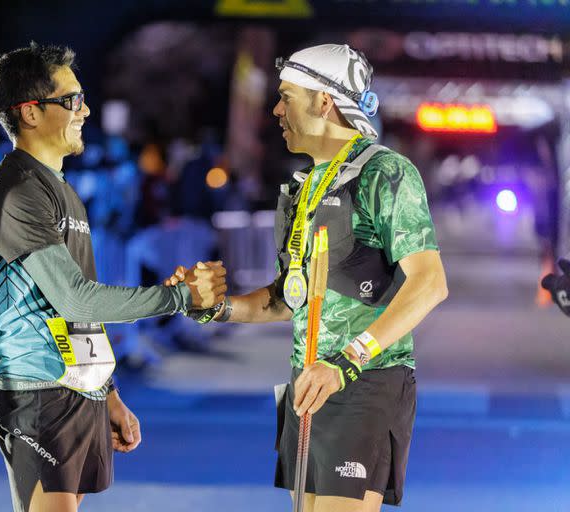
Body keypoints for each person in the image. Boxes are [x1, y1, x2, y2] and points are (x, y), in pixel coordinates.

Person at [171, 44, 448, 511]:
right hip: (308, 381)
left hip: (363, 381)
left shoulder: (385, 172)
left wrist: (348, 361)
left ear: (325, 101)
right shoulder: (306, 184)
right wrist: (216, 307)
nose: (276, 109)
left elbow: (429, 283)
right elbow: (289, 298)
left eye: (286, 96)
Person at [0, 42, 226, 512]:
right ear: (30, 113)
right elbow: (76, 299)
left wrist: (106, 392)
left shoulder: (62, 189)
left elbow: (75, 314)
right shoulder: (15, 189)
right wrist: (177, 299)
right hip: (37, 395)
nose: (85, 110)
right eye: (71, 100)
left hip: (76, 392)